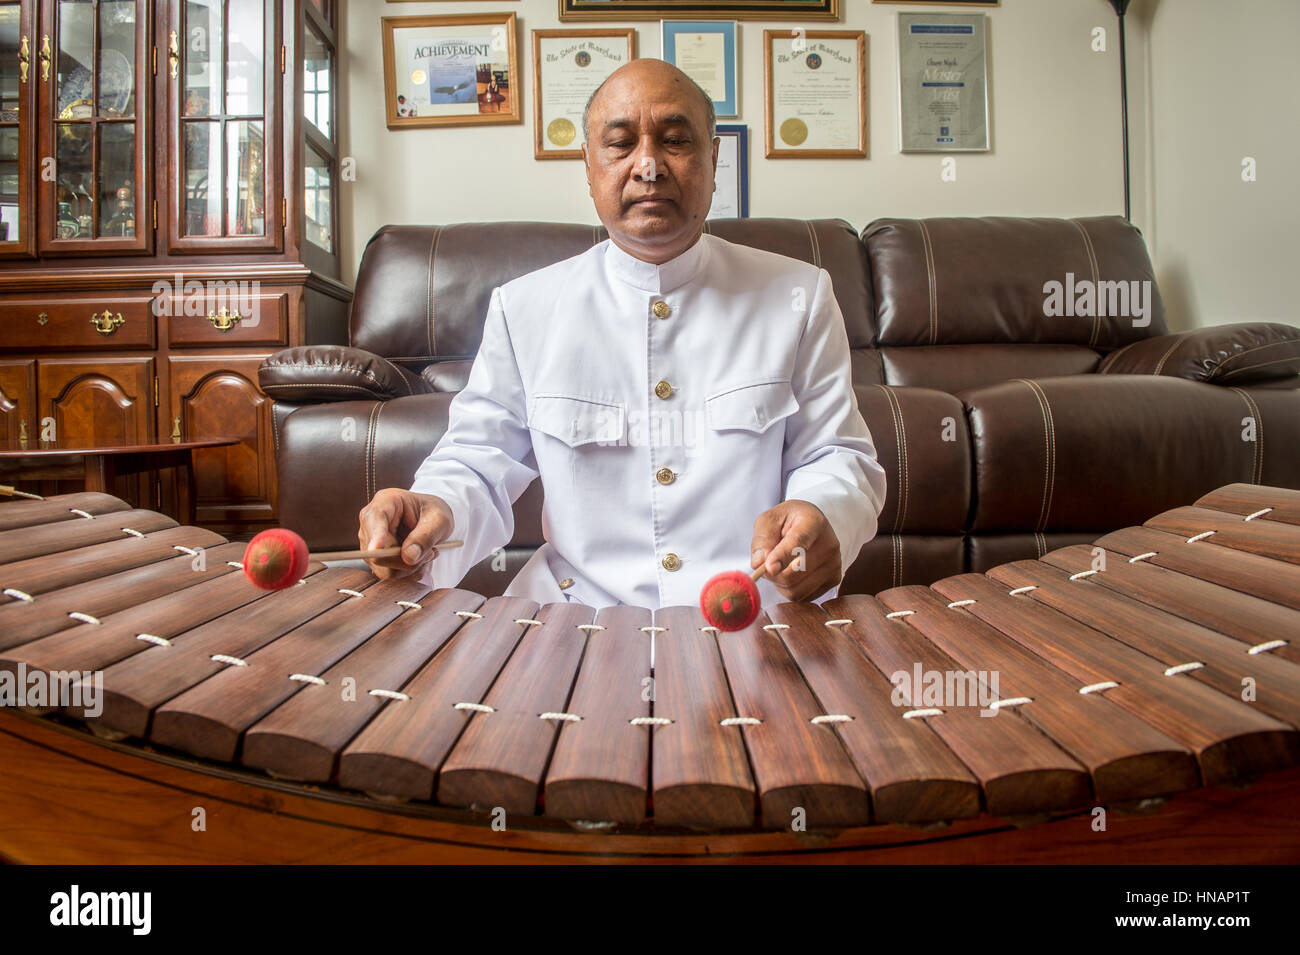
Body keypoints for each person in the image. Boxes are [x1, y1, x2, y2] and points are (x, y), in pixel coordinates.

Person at [357, 58, 886, 608]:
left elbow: (837, 454)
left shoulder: (797, 295)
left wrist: (825, 513)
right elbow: (476, 459)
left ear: (713, 158)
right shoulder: (524, 308)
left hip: (753, 612)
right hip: (571, 619)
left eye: (676, 140)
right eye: (620, 143)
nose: (649, 166)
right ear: (588, 164)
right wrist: (434, 508)